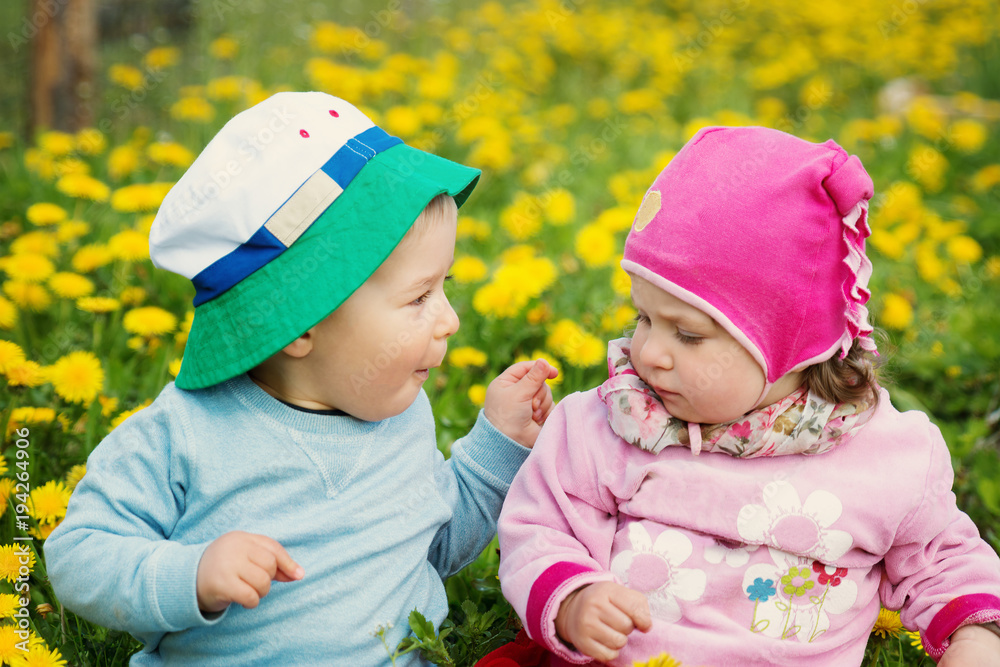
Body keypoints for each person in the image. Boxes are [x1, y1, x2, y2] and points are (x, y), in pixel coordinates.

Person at [44, 92, 558, 666]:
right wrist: (189, 576)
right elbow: (79, 554)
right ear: (298, 322)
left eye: (444, 287)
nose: (450, 319)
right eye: (419, 297)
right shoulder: (184, 433)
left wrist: (496, 447)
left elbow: (427, 546)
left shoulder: (403, 414)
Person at [494, 126, 1000, 666]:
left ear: (790, 346)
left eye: (688, 334)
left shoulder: (889, 458)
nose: (651, 353)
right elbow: (543, 525)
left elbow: (942, 561)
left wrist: (976, 638)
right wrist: (573, 599)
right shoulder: (613, 423)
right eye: (644, 318)